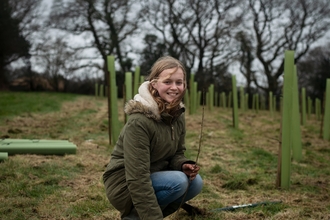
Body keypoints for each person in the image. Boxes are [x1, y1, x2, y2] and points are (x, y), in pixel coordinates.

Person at [103, 56, 203, 220]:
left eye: (179, 82)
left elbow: (178, 152)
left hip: (154, 175)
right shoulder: (139, 122)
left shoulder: (176, 115)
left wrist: (183, 164)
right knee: (178, 181)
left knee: (195, 183)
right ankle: (135, 216)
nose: (174, 87)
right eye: (167, 82)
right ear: (154, 84)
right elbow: (137, 177)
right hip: (124, 185)